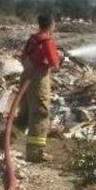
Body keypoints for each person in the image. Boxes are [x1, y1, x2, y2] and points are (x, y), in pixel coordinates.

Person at [15, 13, 61, 162]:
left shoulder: (33, 38)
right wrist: (60, 56)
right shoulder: (47, 41)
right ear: (51, 25)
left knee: (24, 114)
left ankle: (5, 140)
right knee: (40, 114)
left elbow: (23, 57)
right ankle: (35, 154)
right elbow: (55, 64)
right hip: (38, 82)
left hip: (25, 78)